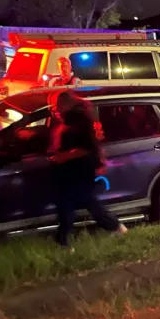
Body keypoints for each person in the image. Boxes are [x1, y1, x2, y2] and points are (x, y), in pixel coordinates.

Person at [47, 90, 127, 249]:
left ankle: (63, 241)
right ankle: (115, 227)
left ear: (66, 104)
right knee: (85, 201)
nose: (55, 109)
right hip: (72, 169)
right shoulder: (69, 119)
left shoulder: (79, 120)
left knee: (69, 203)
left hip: (80, 169)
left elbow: (88, 146)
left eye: (57, 105)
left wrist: (66, 156)